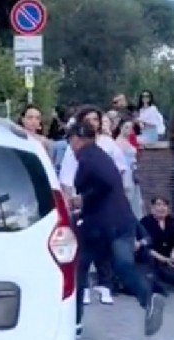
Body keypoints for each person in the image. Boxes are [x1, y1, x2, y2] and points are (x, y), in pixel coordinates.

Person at [67, 121, 165, 337]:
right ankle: (148, 298)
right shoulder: (102, 157)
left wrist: (82, 199)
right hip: (123, 222)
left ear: (77, 139)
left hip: (98, 226)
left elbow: (104, 186)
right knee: (123, 265)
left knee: (79, 270)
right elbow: (112, 185)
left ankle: (73, 323)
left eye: (70, 141)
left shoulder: (87, 159)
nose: (71, 147)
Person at [60, 106, 128, 306]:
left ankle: (105, 284)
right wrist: (71, 198)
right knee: (84, 246)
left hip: (104, 204)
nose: (92, 123)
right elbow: (67, 175)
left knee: (103, 245)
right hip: (83, 201)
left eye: (95, 119)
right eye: (88, 119)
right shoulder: (74, 146)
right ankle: (84, 287)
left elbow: (119, 171)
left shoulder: (107, 144)